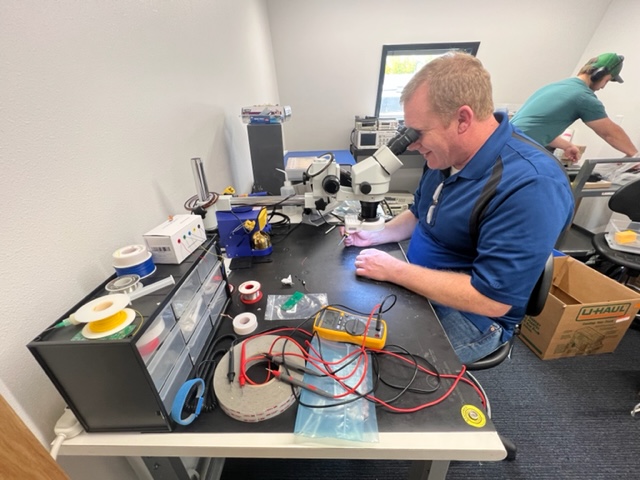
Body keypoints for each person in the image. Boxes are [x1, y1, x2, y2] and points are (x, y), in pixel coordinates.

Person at [343, 52, 574, 364]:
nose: (411, 144)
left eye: (418, 133)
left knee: (366, 362)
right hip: (421, 282)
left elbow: (490, 300)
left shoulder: (532, 186)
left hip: (474, 317)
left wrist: (395, 270)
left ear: (463, 119)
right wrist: (378, 235)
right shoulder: (444, 155)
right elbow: (419, 213)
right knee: (343, 323)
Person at [511, 53, 638, 162]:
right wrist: (635, 156)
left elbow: (535, 128)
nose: (603, 86)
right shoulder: (583, 97)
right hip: (516, 151)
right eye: (607, 80)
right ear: (599, 74)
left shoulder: (556, 86)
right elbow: (610, 133)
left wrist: (567, 146)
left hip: (505, 143)